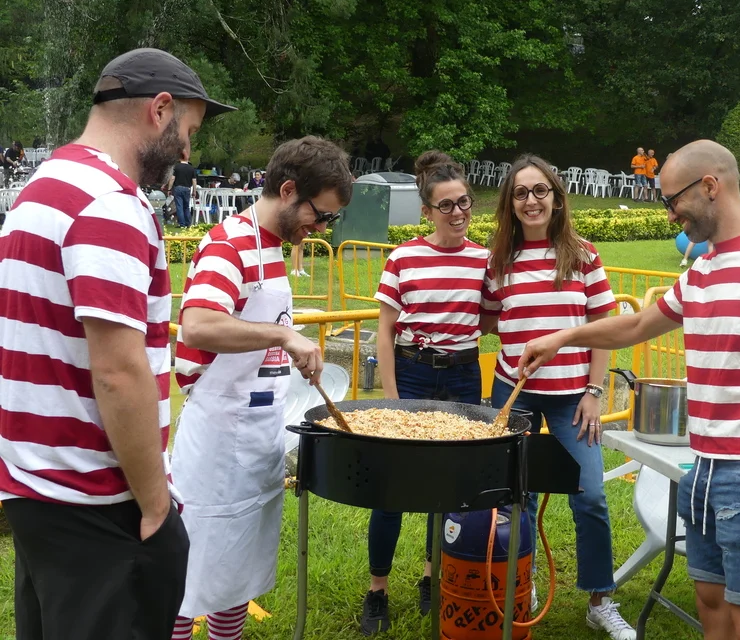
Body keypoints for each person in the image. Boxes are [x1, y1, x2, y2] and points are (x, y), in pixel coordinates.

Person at [518, 140, 740, 640]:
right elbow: (637, 326)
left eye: (672, 200)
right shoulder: (702, 269)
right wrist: (564, 337)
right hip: (701, 465)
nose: (670, 213)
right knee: (710, 600)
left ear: (710, 186)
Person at [0, 47, 234, 640]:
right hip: (98, 499)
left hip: (36, 485)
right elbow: (118, 371)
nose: (187, 153)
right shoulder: (109, 204)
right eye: (189, 132)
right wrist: (155, 505)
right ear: (161, 110)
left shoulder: (43, 186)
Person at [169, 136, 352, 640]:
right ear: (288, 190)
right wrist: (282, 335)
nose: (322, 227)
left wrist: (287, 351)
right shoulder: (228, 245)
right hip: (216, 446)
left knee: (238, 577)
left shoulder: (273, 247)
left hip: (259, 437)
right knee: (192, 580)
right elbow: (199, 326)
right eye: (320, 214)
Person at [482, 154, 635, 640]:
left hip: (574, 397)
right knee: (516, 497)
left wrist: (595, 391)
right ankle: (520, 583)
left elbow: (602, 328)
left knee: (591, 496)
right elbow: (486, 318)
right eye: (520, 193)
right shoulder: (498, 261)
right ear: (510, 203)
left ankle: (599, 599)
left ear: (556, 197)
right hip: (514, 394)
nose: (531, 201)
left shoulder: (584, 255)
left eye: (540, 190)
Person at [359, 151, 488, 635]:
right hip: (412, 374)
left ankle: (433, 577)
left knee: (448, 485)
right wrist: (393, 399)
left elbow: (493, 317)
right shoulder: (404, 258)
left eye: (464, 202)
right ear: (427, 211)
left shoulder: (484, 260)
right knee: (391, 487)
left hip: (462, 376)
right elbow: (384, 332)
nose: (458, 212)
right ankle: (378, 588)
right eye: (446, 205)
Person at [167, 155, 198, 227]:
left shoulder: (177, 167)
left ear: (180, 158)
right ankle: (188, 223)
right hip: (187, 189)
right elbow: (194, 181)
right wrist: (194, 191)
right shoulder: (191, 168)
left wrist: (169, 189)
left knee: (179, 206)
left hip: (178, 188)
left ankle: (182, 223)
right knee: (186, 206)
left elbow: (172, 178)